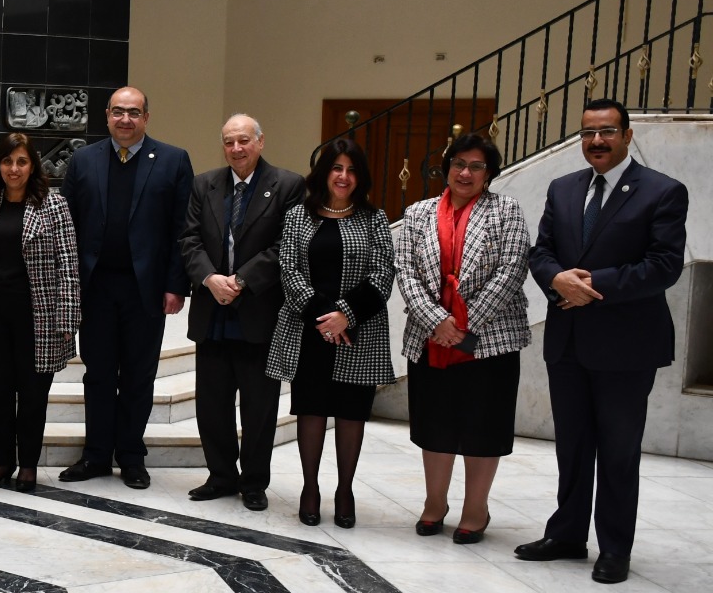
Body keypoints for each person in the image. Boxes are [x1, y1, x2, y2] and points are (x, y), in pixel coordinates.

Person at [518, 99, 689, 584]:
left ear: (627, 136)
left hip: (626, 346)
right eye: (588, 132)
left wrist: (592, 286)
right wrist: (556, 279)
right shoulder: (563, 188)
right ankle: (567, 535)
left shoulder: (662, 191)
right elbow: (542, 252)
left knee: (618, 450)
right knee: (572, 447)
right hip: (568, 342)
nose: (597, 141)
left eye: (607, 131)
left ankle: (615, 547)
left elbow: (664, 266)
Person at [396, 133, 530, 545]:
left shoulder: (506, 210)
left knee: (482, 425)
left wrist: (464, 325)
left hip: (489, 341)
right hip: (430, 338)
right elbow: (406, 272)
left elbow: (512, 269)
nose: (465, 173)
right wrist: (438, 321)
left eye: (476, 166)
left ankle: (476, 509)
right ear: (447, 167)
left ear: (489, 173)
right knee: (434, 423)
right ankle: (434, 503)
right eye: (458, 164)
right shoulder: (417, 213)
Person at [58, 86, 193, 490]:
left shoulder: (173, 160)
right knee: (98, 374)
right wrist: (68, 286)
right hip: (95, 287)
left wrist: (176, 285)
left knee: (138, 375)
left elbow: (183, 230)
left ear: (146, 117)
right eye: (118, 112)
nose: (126, 120)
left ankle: (132, 456)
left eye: (134, 112)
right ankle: (96, 455)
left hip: (145, 290)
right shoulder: (83, 160)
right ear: (107, 115)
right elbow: (66, 227)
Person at [266, 138, 395, 528]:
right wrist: (326, 317)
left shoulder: (374, 218)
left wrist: (346, 315)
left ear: (360, 177)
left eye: (351, 170)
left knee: (352, 412)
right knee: (311, 409)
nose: (343, 176)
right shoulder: (298, 215)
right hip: (309, 330)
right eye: (336, 168)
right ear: (323, 173)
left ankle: (344, 490)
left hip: (359, 333)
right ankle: (310, 488)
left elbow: (383, 273)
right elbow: (289, 270)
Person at [178, 114, 304, 511]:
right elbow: (189, 239)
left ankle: (253, 482)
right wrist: (210, 279)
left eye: (244, 140)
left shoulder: (288, 185)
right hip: (212, 313)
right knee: (212, 404)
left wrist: (242, 280)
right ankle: (220, 476)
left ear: (260, 142)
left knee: (259, 407)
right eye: (229, 141)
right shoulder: (204, 184)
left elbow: (287, 244)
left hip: (258, 312)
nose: (236, 148)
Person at [0, 133, 80, 493]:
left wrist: (68, 318)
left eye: (22, 161)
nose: (14, 169)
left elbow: (69, 265)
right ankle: (1, 461)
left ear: (33, 165)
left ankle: (28, 465)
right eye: (8, 161)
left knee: (33, 398)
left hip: (38, 319)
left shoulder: (54, 206)